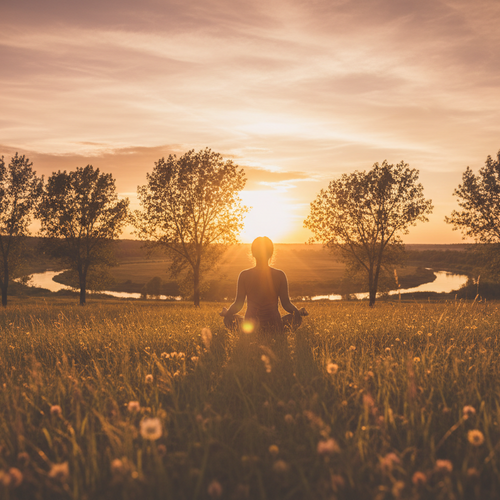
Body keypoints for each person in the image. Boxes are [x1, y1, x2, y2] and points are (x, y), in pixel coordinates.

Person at [220, 236, 308, 334]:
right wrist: (297, 313)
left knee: (228, 319)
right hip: (275, 326)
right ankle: (277, 332)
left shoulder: (244, 275)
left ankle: (247, 332)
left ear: (253, 253)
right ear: (271, 253)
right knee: (296, 319)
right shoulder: (280, 275)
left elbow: (238, 304)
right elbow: (286, 304)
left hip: (251, 327)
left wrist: (227, 313)